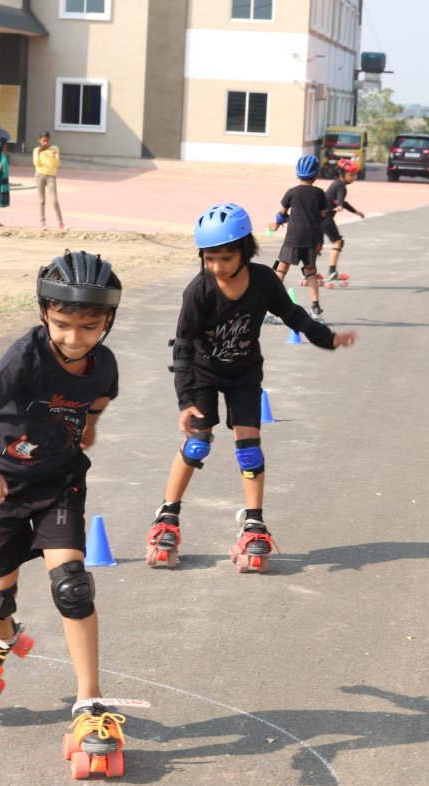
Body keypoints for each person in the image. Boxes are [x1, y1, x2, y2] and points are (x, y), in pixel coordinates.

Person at [0, 249, 127, 755]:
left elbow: (99, 396)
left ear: (107, 320)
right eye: (63, 324)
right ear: (45, 313)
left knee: (71, 587)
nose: (75, 338)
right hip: (1, 484)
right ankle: (0, 641)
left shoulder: (103, 364)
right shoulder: (26, 354)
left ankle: (89, 703)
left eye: (90, 326)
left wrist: (88, 425)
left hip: (59, 484)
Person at [146, 203, 357, 571]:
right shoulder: (199, 291)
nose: (217, 266)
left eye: (226, 257)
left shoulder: (263, 281)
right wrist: (185, 401)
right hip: (202, 376)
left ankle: (253, 522)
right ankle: (167, 515)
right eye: (209, 258)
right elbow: (182, 346)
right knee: (197, 443)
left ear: (245, 250)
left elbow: (295, 316)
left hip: (244, 375)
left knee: (249, 451)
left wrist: (328, 338)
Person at [272, 154, 329, 322]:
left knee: (281, 269)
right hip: (311, 238)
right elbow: (322, 215)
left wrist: (280, 221)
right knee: (310, 272)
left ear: (298, 173)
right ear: (316, 175)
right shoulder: (319, 194)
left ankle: (269, 308)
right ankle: (316, 309)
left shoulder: (291, 193)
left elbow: (281, 214)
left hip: (293, 237)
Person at [322, 158, 365, 282]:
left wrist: (356, 212)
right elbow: (341, 200)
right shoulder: (341, 187)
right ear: (342, 174)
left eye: (354, 174)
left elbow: (343, 202)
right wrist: (339, 205)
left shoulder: (336, 183)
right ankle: (331, 272)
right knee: (338, 242)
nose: (354, 177)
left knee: (317, 245)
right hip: (326, 218)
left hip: (318, 217)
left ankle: (308, 273)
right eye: (351, 174)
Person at [33, 129, 65, 231]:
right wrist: (39, 151)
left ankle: (61, 223)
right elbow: (37, 164)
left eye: (47, 140)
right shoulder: (36, 150)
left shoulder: (54, 148)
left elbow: (56, 164)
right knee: (42, 201)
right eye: (43, 141)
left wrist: (54, 156)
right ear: (40, 140)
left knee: (54, 201)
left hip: (51, 176)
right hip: (40, 175)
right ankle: (42, 223)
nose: (45, 143)